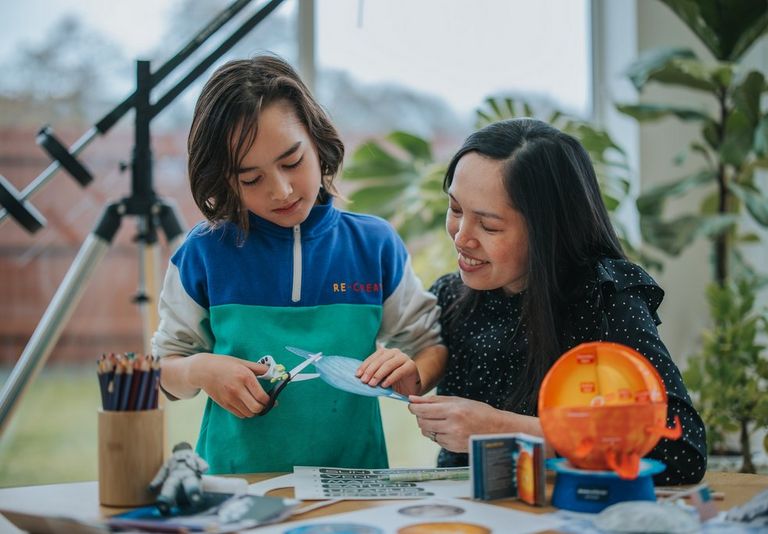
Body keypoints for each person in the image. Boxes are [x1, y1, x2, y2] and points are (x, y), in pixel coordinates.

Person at [358, 118, 707, 485]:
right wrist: (411, 375)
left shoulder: (605, 299)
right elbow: (426, 362)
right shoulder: (451, 295)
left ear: (548, 230)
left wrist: (503, 428)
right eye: (456, 209)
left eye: (489, 226)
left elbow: (680, 450)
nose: (461, 237)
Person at [151, 55, 446, 474]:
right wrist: (199, 369)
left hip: (356, 484)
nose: (282, 191)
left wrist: (412, 372)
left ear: (317, 141)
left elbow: (430, 344)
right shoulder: (203, 253)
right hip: (235, 487)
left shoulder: (374, 245)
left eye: (292, 162)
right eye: (251, 179)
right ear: (225, 179)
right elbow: (163, 370)